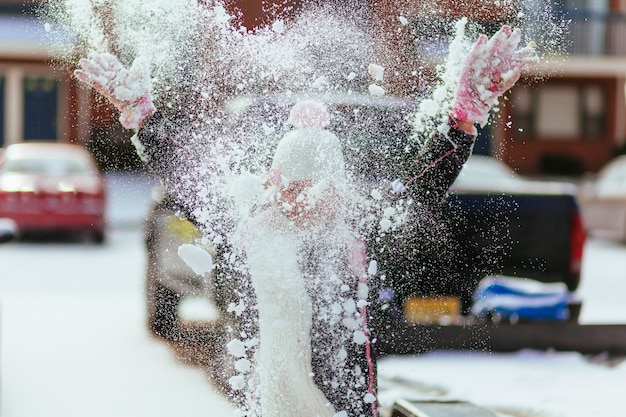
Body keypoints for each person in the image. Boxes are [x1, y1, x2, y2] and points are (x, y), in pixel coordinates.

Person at [75, 23, 537, 417]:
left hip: (347, 404)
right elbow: (188, 175)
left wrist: (463, 118)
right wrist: (141, 115)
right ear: (274, 182)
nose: (301, 199)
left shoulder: (355, 231)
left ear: (335, 188)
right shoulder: (252, 229)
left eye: (315, 187)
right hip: (272, 403)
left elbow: (419, 182)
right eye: (291, 185)